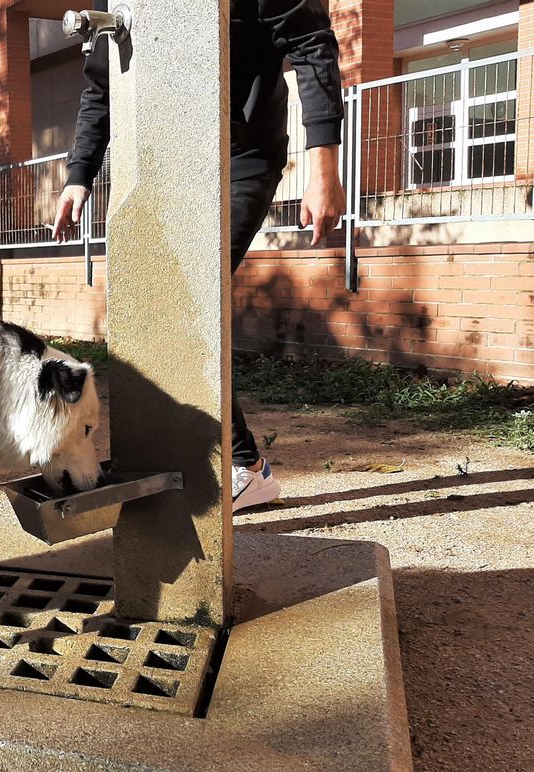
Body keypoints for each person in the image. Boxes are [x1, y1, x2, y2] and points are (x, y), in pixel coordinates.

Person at [53, 0, 346, 511]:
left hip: (243, 154)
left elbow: (310, 44)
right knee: (161, 305)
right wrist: (80, 174)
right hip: (168, 157)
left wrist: (324, 166)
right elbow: (100, 87)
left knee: (192, 296)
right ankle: (240, 465)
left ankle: (240, 464)